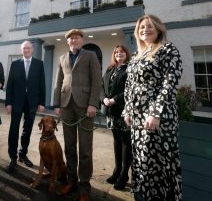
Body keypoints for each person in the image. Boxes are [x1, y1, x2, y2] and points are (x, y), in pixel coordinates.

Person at [123, 14, 183, 201]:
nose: (145, 30)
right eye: (141, 27)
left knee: (158, 161)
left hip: (159, 116)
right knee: (142, 160)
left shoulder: (167, 49)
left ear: (158, 29)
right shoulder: (136, 55)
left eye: (149, 26)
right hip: (138, 117)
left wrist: (156, 112)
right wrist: (127, 109)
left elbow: (170, 81)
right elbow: (129, 85)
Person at [53, 29, 102, 201]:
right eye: (70, 38)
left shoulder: (90, 55)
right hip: (66, 106)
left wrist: (93, 103)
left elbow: (97, 81)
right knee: (69, 146)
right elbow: (58, 82)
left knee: (85, 149)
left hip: (85, 107)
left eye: (76, 38)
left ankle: (84, 187)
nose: (73, 40)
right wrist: (56, 104)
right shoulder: (62, 58)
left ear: (81, 40)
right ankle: (71, 181)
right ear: (67, 41)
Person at [5, 40, 45, 173]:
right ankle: (12, 157)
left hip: (32, 102)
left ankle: (23, 154)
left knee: (27, 130)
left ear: (32, 49)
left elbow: (42, 84)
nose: (26, 50)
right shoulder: (15, 64)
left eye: (28, 48)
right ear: (21, 50)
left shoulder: (39, 64)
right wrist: (8, 103)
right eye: (24, 49)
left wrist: (41, 103)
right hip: (16, 102)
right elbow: (9, 84)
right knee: (14, 129)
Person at [100, 45, 132, 191]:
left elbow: (131, 89)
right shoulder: (110, 69)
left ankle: (124, 175)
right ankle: (117, 171)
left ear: (126, 54)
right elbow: (102, 86)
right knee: (116, 141)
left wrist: (115, 99)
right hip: (111, 112)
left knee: (126, 143)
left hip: (123, 111)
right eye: (116, 52)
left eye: (122, 52)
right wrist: (104, 99)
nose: (119, 54)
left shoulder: (130, 68)